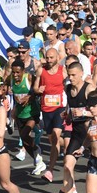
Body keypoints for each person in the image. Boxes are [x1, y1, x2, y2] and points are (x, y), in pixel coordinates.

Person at [56, 62, 95, 193]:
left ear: (81, 74)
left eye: (73, 75)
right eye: (68, 74)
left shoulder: (89, 89)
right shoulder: (67, 89)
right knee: (67, 165)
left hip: (93, 135)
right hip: (78, 134)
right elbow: (70, 108)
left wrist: (84, 111)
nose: (70, 78)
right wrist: (67, 114)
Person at [33, 48, 67, 182]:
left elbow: (70, 85)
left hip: (59, 108)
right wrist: (38, 90)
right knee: (53, 140)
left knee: (55, 135)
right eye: (47, 57)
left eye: (51, 57)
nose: (49, 60)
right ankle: (68, 144)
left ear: (57, 57)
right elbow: (35, 88)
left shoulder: (62, 71)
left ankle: (50, 170)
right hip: (46, 109)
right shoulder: (41, 70)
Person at [10, 59, 46, 175]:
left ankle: (38, 154)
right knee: (25, 141)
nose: (15, 75)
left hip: (31, 113)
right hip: (20, 114)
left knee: (25, 134)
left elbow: (38, 90)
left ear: (23, 71)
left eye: (18, 72)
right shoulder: (10, 80)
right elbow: (5, 89)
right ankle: (38, 158)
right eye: (13, 72)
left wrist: (29, 97)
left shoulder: (29, 78)